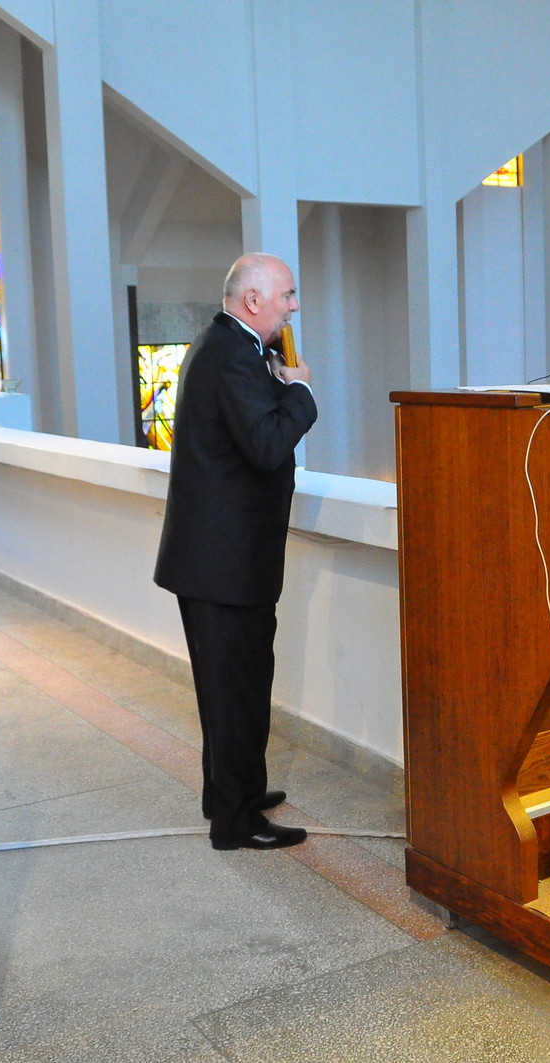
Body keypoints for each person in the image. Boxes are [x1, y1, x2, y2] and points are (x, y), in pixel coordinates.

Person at [153, 253, 317, 850]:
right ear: (253, 301)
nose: (293, 306)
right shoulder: (232, 356)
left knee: (228, 691)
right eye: (287, 295)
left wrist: (278, 380)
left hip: (216, 560)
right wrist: (301, 391)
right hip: (225, 566)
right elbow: (268, 444)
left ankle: (230, 790)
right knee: (237, 693)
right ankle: (236, 820)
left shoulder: (227, 345)